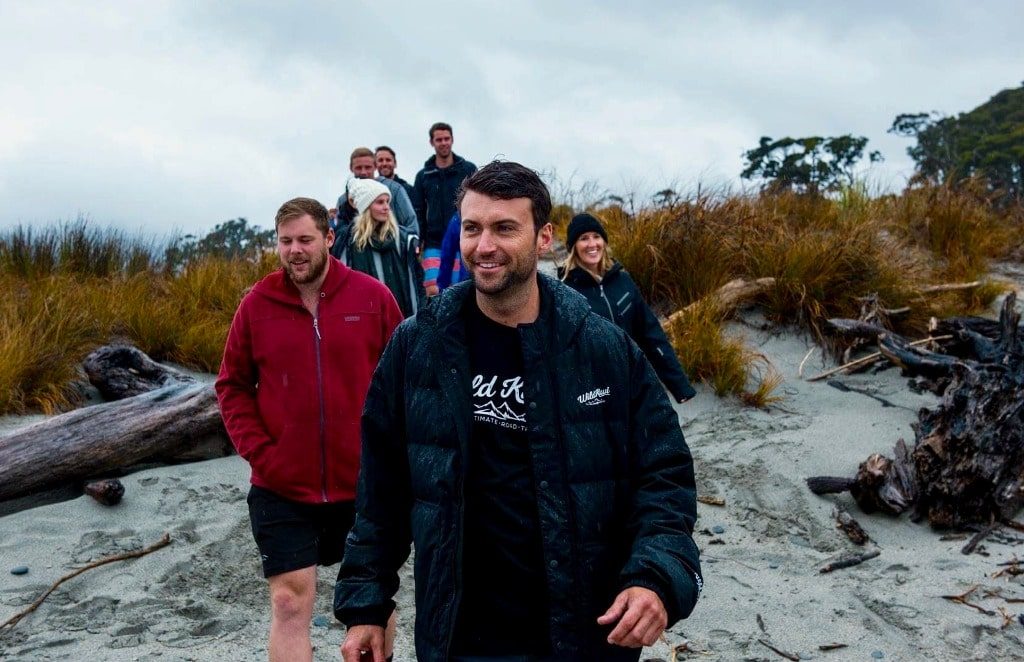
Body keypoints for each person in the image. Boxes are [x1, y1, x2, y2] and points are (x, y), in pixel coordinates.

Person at [335, 161, 702, 661]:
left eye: (505, 228)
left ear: (544, 237)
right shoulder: (418, 346)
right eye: (472, 228)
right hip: (459, 633)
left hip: (583, 632)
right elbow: (381, 488)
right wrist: (365, 607)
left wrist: (656, 578)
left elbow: (665, 474)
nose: (484, 246)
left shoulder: (602, 348)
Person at [215, 197, 402, 662]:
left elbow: (406, 380)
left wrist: (389, 453)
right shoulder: (257, 304)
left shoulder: (372, 297)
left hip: (364, 483)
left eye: (304, 240)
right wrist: (263, 453)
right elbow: (232, 385)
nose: (294, 250)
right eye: (285, 241)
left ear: (329, 239)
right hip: (282, 485)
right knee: (289, 601)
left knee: (371, 607)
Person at [560, 212, 697, 403]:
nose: (592, 244)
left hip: (634, 382)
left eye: (596, 236)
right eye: (584, 238)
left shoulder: (623, 280)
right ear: (573, 246)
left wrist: (679, 385)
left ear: (604, 242)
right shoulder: (565, 291)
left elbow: (652, 335)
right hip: (595, 394)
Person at [332, 178, 426, 318]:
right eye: (380, 202)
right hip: (364, 317)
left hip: (403, 316)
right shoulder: (348, 242)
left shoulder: (404, 240)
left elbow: (417, 282)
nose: (387, 207)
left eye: (387, 201)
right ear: (366, 206)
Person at [410, 122, 476, 296]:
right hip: (433, 242)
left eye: (447, 138)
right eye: (439, 139)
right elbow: (418, 210)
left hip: (464, 237)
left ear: (452, 140)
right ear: (432, 142)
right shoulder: (424, 175)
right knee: (434, 289)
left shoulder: (468, 169)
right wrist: (419, 239)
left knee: (461, 288)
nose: (443, 142)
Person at [334, 147, 419, 237]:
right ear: (351, 168)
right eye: (359, 168)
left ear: (375, 167)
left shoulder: (394, 190)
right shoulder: (344, 199)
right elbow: (338, 234)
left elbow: (412, 226)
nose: (363, 172)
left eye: (368, 167)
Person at [435, 212, 468, 291]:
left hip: (467, 285)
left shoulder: (460, 217)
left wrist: (442, 288)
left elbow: (447, 257)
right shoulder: (458, 218)